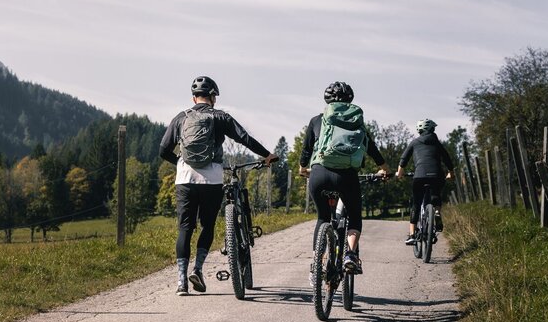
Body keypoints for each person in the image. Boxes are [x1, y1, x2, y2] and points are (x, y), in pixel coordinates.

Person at [159, 76, 278, 296]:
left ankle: (181, 282)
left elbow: (163, 149)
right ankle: (197, 269)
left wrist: (181, 163)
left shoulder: (181, 118)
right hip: (211, 179)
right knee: (207, 225)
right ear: (213, 97)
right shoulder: (220, 117)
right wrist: (267, 155)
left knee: (185, 228)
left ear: (193, 98)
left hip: (185, 179)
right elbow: (244, 138)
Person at [299, 81, 389, 278]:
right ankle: (350, 254)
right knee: (355, 216)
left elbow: (306, 149)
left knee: (323, 217)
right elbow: (370, 147)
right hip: (346, 176)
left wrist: (302, 168)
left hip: (319, 174)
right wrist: (384, 168)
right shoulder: (356, 122)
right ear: (350, 100)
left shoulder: (317, 120)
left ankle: (317, 263)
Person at [395, 119, 454, 244]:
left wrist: (399, 173)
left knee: (416, 203)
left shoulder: (414, 142)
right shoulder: (437, 143)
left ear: (419, 130)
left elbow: (404, 159)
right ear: (432, 130)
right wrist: (451, 173)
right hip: (436, 174)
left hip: (419, 175)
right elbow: (447, 159)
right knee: (436, 193)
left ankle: (412, 235)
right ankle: (436, 212)